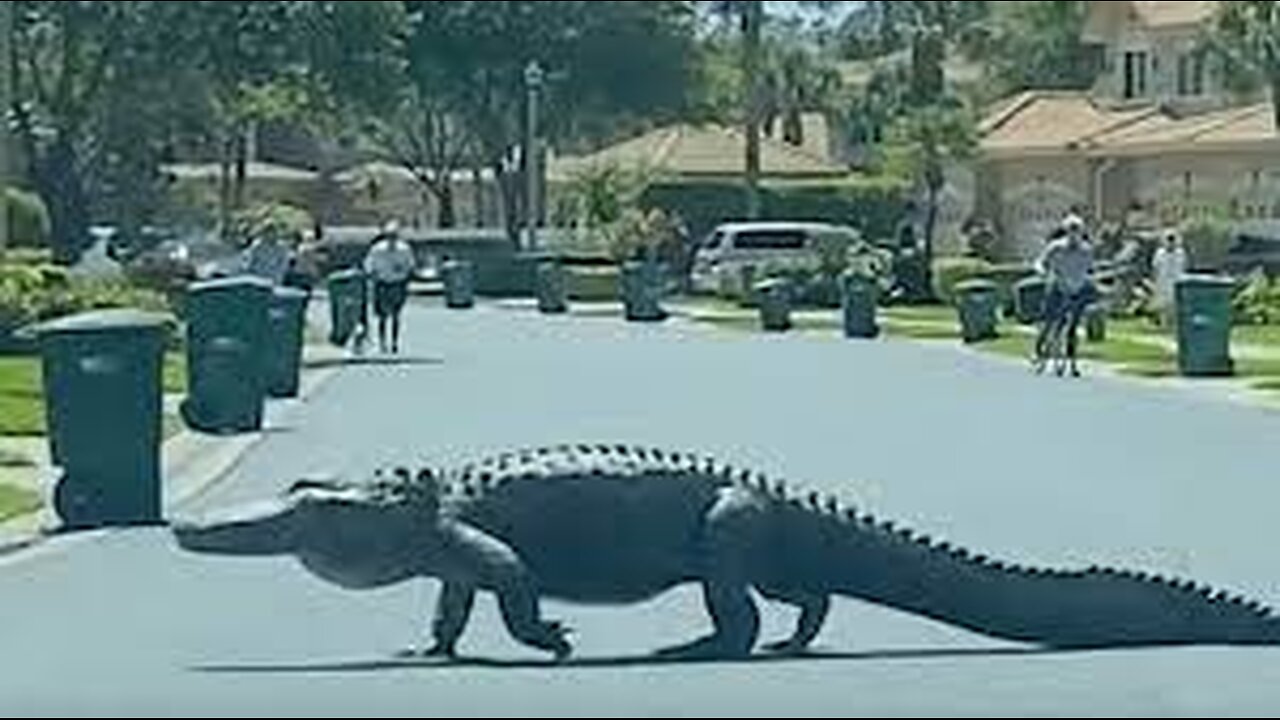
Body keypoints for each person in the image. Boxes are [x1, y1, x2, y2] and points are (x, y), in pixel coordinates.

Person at [1032, 213, 1097, 376]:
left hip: (1077, 289)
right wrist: (1041, 272)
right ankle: (1039, 350)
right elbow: (1040, 262)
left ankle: (1072, 361)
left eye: (1077, 231)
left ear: (1081, 232)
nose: (1074, 234)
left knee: (1073, 327)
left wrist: (1090, 279)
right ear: (1066, 231)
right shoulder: (1056, 247)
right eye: (1070, 230)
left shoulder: (1086, 251)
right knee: (1048, 320)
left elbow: (1090, 270)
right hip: (1058, 286)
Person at [361, 220, 417, 354]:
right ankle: (382, 342)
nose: (392, 239)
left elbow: (410, 265)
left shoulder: (404, 249)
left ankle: (394, 342)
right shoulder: (377, 249)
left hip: (397, 283)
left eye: (394, 236)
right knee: (382, 316)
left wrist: (404, 273)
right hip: (382, 283)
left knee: (396, 315)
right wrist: (372, 275)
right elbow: (369, 264)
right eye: (389, 236)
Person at [1150, 228, 1187, 331]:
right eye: (1169, 239)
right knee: (1163, 305)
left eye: (1172, 239)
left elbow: (1183, 266)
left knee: (1175, 304)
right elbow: (1155, 268)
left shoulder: (1180, 253)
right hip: (1162, 282)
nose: (1171, 242)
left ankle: (1174, 325)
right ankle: (1164, 324)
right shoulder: (1160, 253)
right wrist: (1155, 281)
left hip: (1176, 281)